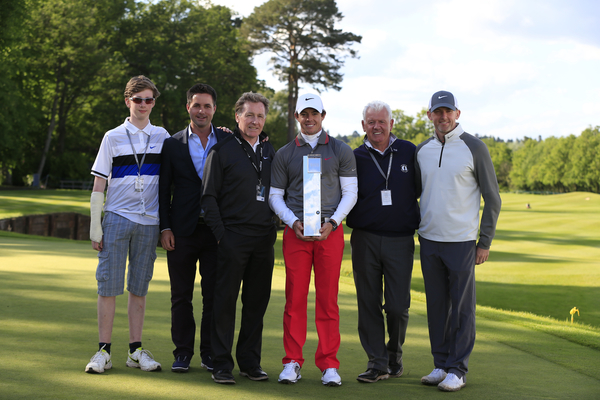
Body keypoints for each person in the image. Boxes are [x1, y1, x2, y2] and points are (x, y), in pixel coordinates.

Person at [269, 93, 358, 387]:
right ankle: (292, 361)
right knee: (294, 300)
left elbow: (350, 193)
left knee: (328, 301)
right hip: (296, 234)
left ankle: (329, 364)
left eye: (314, 113)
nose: (309, 119)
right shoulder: (284, 153)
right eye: (304, 114)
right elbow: (274, 196)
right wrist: (292, 221)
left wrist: (333, 223)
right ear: (297, 117)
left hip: (329, 234)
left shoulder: (341, 150)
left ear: (323, 115)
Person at [415, 90, 501, 392]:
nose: (443, 117)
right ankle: (441, 364)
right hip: (429, 240)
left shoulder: (474, 147)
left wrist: (484, 241)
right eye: (437, 112)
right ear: (429, 116)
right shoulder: (422, 150)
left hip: (462, 242)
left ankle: (458, 369)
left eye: (447, 111)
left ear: (457, 113)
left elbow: (493, 198)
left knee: (463, 309)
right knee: (437, 306)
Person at [85, 75, 170, 374]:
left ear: (153, 102)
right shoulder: (112, 137)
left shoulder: (163, 136)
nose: (144, 105)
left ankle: (135, 351)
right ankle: (103, 352)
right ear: (127, 101)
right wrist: (96, 226)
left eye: (149, 99)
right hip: (117, 217)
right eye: (138, 99)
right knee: (108, 287)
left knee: (139, 288)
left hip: (149, 221)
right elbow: (99, 184)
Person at [201, 92, 277, 385]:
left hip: (263, 239)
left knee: (256, 304)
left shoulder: (271, 151)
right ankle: (221, 364)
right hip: (232, 237)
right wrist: (222, 237)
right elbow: (208, 198)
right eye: (249, 115)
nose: (255, 121)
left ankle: (249, 362)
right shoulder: (221, 150)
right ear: (237, 117)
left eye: (260, 116)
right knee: (224, 304)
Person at [346, 100, 420, 383]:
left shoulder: (409, 151)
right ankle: (376, 363)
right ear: (363, 125)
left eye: (381, 121)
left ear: (391, 124)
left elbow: (422, 187)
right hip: (364, 238)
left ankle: (394, 355)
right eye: (370, 122)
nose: (376, 126)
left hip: (400, 239)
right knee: (368, 302)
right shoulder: (354, 156)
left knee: (398, 306)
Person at [158, 83, 230, 373]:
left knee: (213, 295)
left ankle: (209, 353)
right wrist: (165, 228)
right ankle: (183, 353)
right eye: (197, 105)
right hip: (182, 230)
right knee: (181, 295)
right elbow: (163, 190)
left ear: (214, 109)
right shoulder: (172, 144)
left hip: (216, 231)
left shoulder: (227, 141)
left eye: (207, 106)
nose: (202, 111)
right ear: (188, 107)